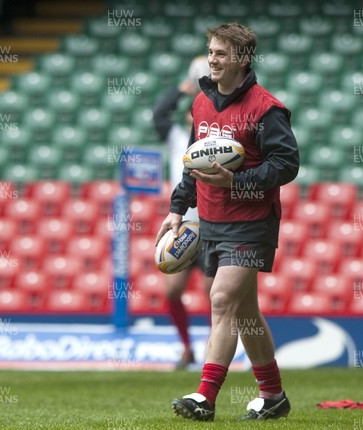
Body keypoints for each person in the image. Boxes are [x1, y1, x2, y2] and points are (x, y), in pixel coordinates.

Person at [155, 23, 300, 421]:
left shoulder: (265, 108)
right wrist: (177, 210)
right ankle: (273, 396)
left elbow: (287, 164)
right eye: (210, 52)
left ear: (242, 58)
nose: (212, 59)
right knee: (245, 313)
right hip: (210, 219)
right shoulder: (201, 103)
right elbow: (191, 162)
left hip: (252, 221)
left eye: (221, 53)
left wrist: (238, 181)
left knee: (220, 300)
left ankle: (204, 397)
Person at [152, 56, 211, 370]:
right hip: (184, 222)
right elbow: (158, 114)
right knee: (173, 290)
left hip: (212, 222)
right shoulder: (178, 140)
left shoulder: (213, 142)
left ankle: (216, 353)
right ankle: (187, 349)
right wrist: (182, 89)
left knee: (212, 292)